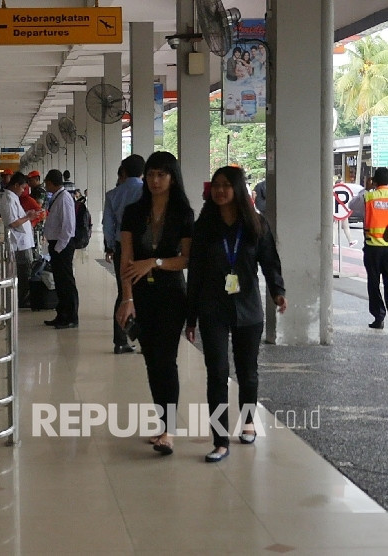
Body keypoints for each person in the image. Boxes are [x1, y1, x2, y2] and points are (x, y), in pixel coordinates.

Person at [185, 166, 287, 463]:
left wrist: (278, 291)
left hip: (248, 307)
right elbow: (196, 274)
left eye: (227, 185)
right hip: (212, 306)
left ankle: (248, 422)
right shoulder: (204, 226)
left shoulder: (257, 224)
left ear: (239, 189)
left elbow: (270, 262)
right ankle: (219, 440)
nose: (220, 190)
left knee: (247, 372)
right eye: (216, 185)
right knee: (217, 373)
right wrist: (191, 318)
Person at [114, 152, 194, 456]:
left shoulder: (183, 213)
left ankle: (168, 430)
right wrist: (127, 298)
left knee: (167, 360)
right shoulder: (133, 212)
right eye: (150, 175)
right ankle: (162, 424)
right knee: (151, 361)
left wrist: (155, 262)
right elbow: (126, 260)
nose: (155, 181)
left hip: (172, 294)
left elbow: (186, 259)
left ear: (172, 177)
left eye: (161, 175)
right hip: (141, 296)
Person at [103, 154, 146, 354]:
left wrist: (111, 246)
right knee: (146, 293)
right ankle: (146, 339)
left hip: (122, 248)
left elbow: (108, 225)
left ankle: (120, 340)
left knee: (124, 294)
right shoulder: (147, 191)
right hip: (144, 250)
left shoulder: (113, 195)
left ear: (124, 172)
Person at [42, 169, 79, 329]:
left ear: (51, 182)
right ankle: (61, 314)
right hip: (56, 245)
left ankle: (71, 316)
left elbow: (68, 227)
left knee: (66, 282)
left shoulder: (64, 199)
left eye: (46, 183)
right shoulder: (58, 197)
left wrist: (58, 248)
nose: (45, 186)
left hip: (62, 245)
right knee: (59, 281)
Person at [1, 172, 39, 308]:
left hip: (23, 242)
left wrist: (27, 215)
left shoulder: (13, 197)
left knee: (26, 271)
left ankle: (24, 298)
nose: (23, 191)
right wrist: (28, 217)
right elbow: (12, 222)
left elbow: (18, 217)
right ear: (16, 185)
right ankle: (22, 300)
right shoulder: (9, 199)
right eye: (22, 188)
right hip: (19, 243)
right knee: (24, 273)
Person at [364, 167, 388, 329]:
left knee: (373, 283)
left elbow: (352, 204)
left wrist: (367, 189)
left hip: (373, 248)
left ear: (375, 181)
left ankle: (379, 317)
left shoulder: (368, 196)